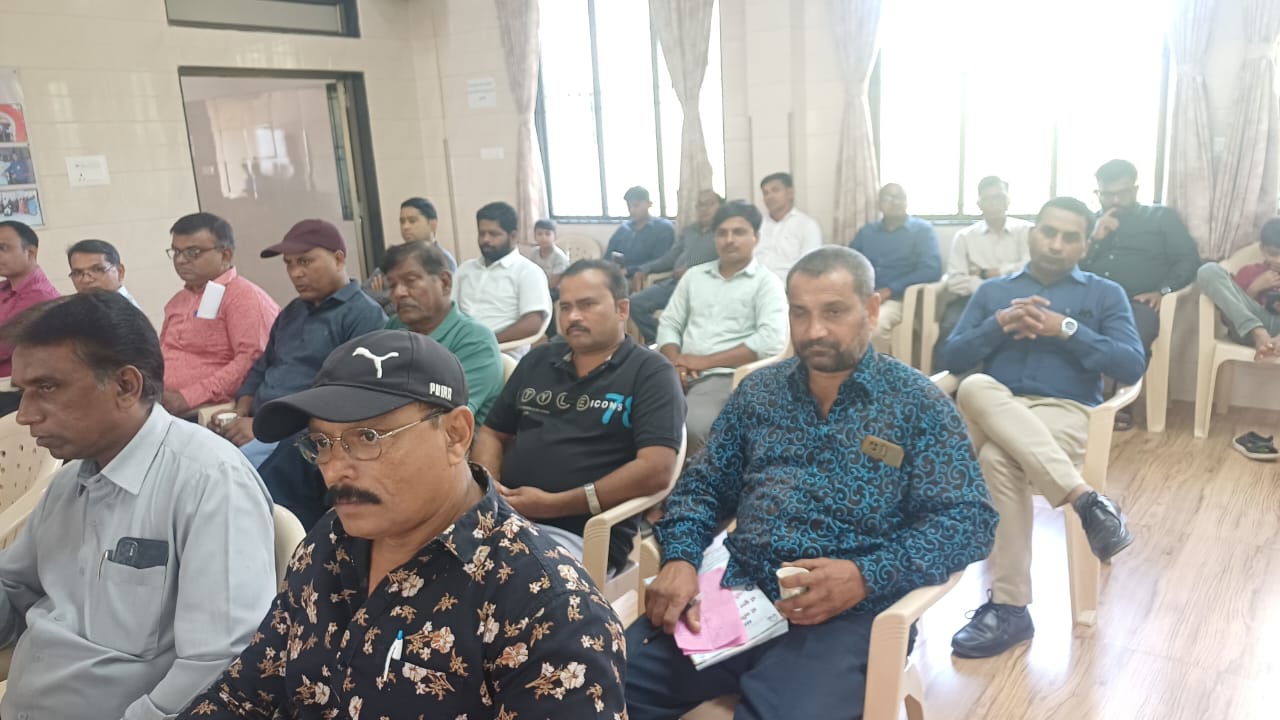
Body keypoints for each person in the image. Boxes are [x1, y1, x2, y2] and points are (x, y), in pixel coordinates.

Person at [625, 246, 998, 720]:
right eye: (800, 313)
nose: (814, 330)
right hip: (738, 593)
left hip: (850, 617)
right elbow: (703, 487)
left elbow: (968, 521)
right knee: (589, 679)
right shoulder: (760, 393)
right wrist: (680, 558)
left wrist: (866, 575)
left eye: (833, 312)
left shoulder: (916, 405)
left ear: (871, 310)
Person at [177, 330, 627, 718]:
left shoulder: (548, 609)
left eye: (367, 438)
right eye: (322, 443)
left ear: (455, 435)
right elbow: (245, 692)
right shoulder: (329, 543)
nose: (335, 470)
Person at [0, 291, 277, 720]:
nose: (25, 414)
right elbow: (13, 598)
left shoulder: (209, 482)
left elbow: (222, 665)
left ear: (126, 386)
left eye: (47, 388)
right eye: (23, 392)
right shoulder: (69, 484)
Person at [944, 197, 1145, 659]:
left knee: (997, 458)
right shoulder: (995, 291)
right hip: (995, 405)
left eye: (1070, 237)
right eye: (1048, 232)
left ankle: (1010, 609)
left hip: (1065, 411)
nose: (1056, 244)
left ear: (1085, 246)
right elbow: (951, 357)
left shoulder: (1104, 294)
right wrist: (997, 325)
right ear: (1032, 232)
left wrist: (1067, 329)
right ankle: (1087, 501)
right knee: (973, 384)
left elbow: (1131, 364)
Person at [474, 259, 685, 572]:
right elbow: (493, 432)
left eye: (587, 305)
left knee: (489, 577)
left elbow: (657, 469)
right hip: (501, 516)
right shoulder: (539, 361)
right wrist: (489, 489)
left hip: (584, 534)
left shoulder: (650, 373)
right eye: (565, 307)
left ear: (622, 309)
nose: (573, 317)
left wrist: (552, 505)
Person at [215, 219, 386, 468]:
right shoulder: (292, 311)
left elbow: (347, 397)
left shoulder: (363, 315)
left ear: (338, 259)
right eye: (289, 263)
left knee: (222, 473)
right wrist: (240, 412)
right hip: (258, 425)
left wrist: (264, 428)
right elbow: (262, 367)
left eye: (305, 261)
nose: (295, 273)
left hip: (303, 437)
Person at [656, 200, 788, 454]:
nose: (729, 240)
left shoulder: (766, 283)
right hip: (676, 371)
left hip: (726, 376)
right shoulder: (694, 276)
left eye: (739, 232)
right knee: (629, 417)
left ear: (756, 238)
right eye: (722, 233)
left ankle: (693, 478)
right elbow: (670, 323)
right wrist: (675, 362)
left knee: (690, 427)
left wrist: (703, 362)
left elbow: (770, 340)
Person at [1080, 159, 1199, 429]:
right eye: (1107, 194)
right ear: (1098, 192)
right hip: (1089, 299)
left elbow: (1188, 259)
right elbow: (1071, 267)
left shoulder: (1161, 217)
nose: (1115, 201)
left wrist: (1163, 290)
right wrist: (1095, 238)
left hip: (1136, 301)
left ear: (1135, 189)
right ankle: (1067, 396)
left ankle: (1121, 401)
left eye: (1122, 193)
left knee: (1135, 329)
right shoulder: (1089, 223)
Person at [159, 212, 280, 418]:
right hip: (164, 405)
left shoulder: (243, 297)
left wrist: (187, 397)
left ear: (225, 255)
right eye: (176, 251)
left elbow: (250, 361)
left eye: (192, 252)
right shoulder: (178, 300)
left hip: (209, 411)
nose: (180, 260)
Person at [385, 240, 503, 424]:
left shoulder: (475, 341)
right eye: (392, 285)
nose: (398, 293)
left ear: (445, 283)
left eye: (410, 281)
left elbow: (443, 418)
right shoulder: (394, 327)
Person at [1196, 217, 1280, 461]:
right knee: (1208, 270)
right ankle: (1258, 332)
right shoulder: (1250, 272)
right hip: (1249, 330)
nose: (1279, 260)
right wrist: (1253, 289)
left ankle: (1269, 338)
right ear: (1262, 249)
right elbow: (1227, 315)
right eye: (1274, 254)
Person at [937, 176, 1032, 366]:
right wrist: (990, 288)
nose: (994, 204)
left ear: (1008, 201)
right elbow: (955, 281)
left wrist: (988, 273)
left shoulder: (1026, 231)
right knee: (949, 328)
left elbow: (1029, 268)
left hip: (1018, 299)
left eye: (999, 197)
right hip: (972, 299)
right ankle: (945, 380)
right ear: (979, 204)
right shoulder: (964, 237)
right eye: (988, 199)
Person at [849, 183, 942, 350]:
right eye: (888, 198)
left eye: (900, 197)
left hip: (898, 299)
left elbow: (931, 269)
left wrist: (891, 289)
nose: (895, 202)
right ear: (879, 204)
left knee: (874, 328)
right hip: (863, 296)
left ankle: (879, 368)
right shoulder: (867, 232)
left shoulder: (921, 231)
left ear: (907, 201)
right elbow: (849, 263)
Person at [453, 201, 553, 356]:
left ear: (513, 236)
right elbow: (448, 309)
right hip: (457, 349)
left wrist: (485, 342)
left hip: (501, 353)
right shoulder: (465, 269)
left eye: (493, 234)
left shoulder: (528, 272)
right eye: (482, 233)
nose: (486, 240)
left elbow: (533, 323)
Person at [629, 189, 723, 343]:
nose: (704, 209)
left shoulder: (724, 233)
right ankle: (659, 342)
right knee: (634, 303)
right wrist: (644, 269)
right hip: (674, 284)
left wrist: (693, 273)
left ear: (721, 207)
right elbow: (669, 258)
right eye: (700, 205)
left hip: (702, 287)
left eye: (710, 204)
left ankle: (670, 344)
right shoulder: (689, 230)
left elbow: (725, 265)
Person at [364, 196, 457, 308]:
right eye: (402, 222)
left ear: (433, 224)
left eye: (412, 221)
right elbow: (365, 294)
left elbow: (431, 302)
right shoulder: (396, 258)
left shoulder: (444, 260)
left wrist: (381, 297)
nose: (405, 227)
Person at [0, 220, 60, 378]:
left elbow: (3, 346)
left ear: (30, 252)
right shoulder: (4, 287)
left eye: (3, 248)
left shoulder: (40, 295)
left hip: (17, 386)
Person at [755, 172, 823, 281]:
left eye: (775, 190)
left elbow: (810, 265)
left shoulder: (807, 225)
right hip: (754, 283)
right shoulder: (757, 224)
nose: (769, 196)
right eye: (765, 193)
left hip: (788, 285)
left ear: (790, 193)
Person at [605, 186, 676, 277]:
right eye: (629, 206)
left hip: (639, 276)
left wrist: (629, 271)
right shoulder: (624, 228)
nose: (632, 210)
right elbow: (608, 256)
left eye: (636, 205)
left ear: (649, 204)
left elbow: (661, 261)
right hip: (615, 275)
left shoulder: (663, 228)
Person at [66, 238, 138, 306]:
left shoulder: (126, 311)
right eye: (77, 273)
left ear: (120, 272)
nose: (86, 280)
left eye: (98, 269)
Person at [530, 218, 570, 291]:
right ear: (535, 236)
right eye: (539, 234)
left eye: (548, 234)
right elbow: (530, 273)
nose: (543, 237)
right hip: (538, 287)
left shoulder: (559, 257)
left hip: (555, 290)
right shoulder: (534, 253)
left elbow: (554, 283)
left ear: (555, 236)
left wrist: (536, 289)